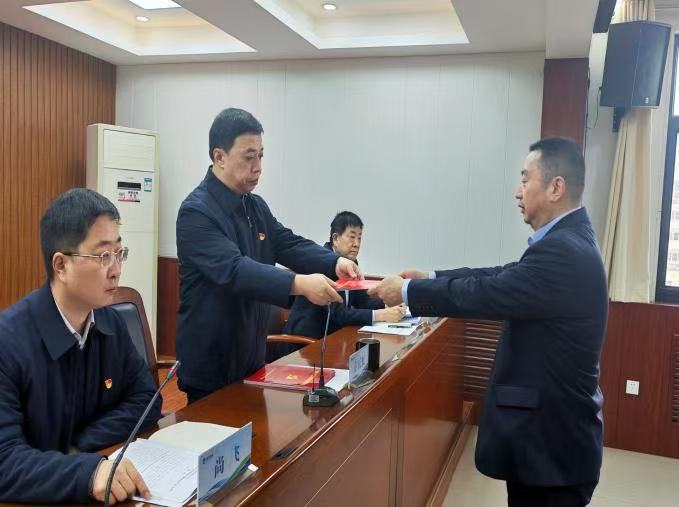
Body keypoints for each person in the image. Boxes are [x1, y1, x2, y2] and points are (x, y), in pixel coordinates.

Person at [369, 137, 608, 507]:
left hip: (551, 451)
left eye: (525, 179)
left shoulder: (564, 250)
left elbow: (489, 292)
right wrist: (429, 276)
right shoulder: (567, 240)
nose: (517, 191)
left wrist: (407, 292)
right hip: (549, 445)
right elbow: (500, 274)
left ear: (556, 187)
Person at [176, 108, 360, 403]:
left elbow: (287, 243)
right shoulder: (196, 212)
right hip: (212, 361)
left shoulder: (254, 205)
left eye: (261, 156)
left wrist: (335, 262)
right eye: (249, 157)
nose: (258, 167)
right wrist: (299, 284)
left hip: (251, 355)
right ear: (219, 157)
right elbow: (235, 269)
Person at [0, 188, 161, 504]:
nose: (116, 269)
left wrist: (81, 446)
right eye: (103, 256)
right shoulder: (9, 340)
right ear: (61, 266)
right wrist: (86, 471)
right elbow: (4, 460)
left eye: (120, 253)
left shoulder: (111, 323)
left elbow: (146, 398)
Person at [284, 211, 405, 339]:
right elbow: (337, 314)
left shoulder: (351, 263)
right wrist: (380, 315)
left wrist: (390, 304)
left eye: (359, 238)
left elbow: (362, 301)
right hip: (307, 341)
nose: (357, 244)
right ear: (335, 239)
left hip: (334, 336)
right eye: (352, 237)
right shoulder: (320, 263)